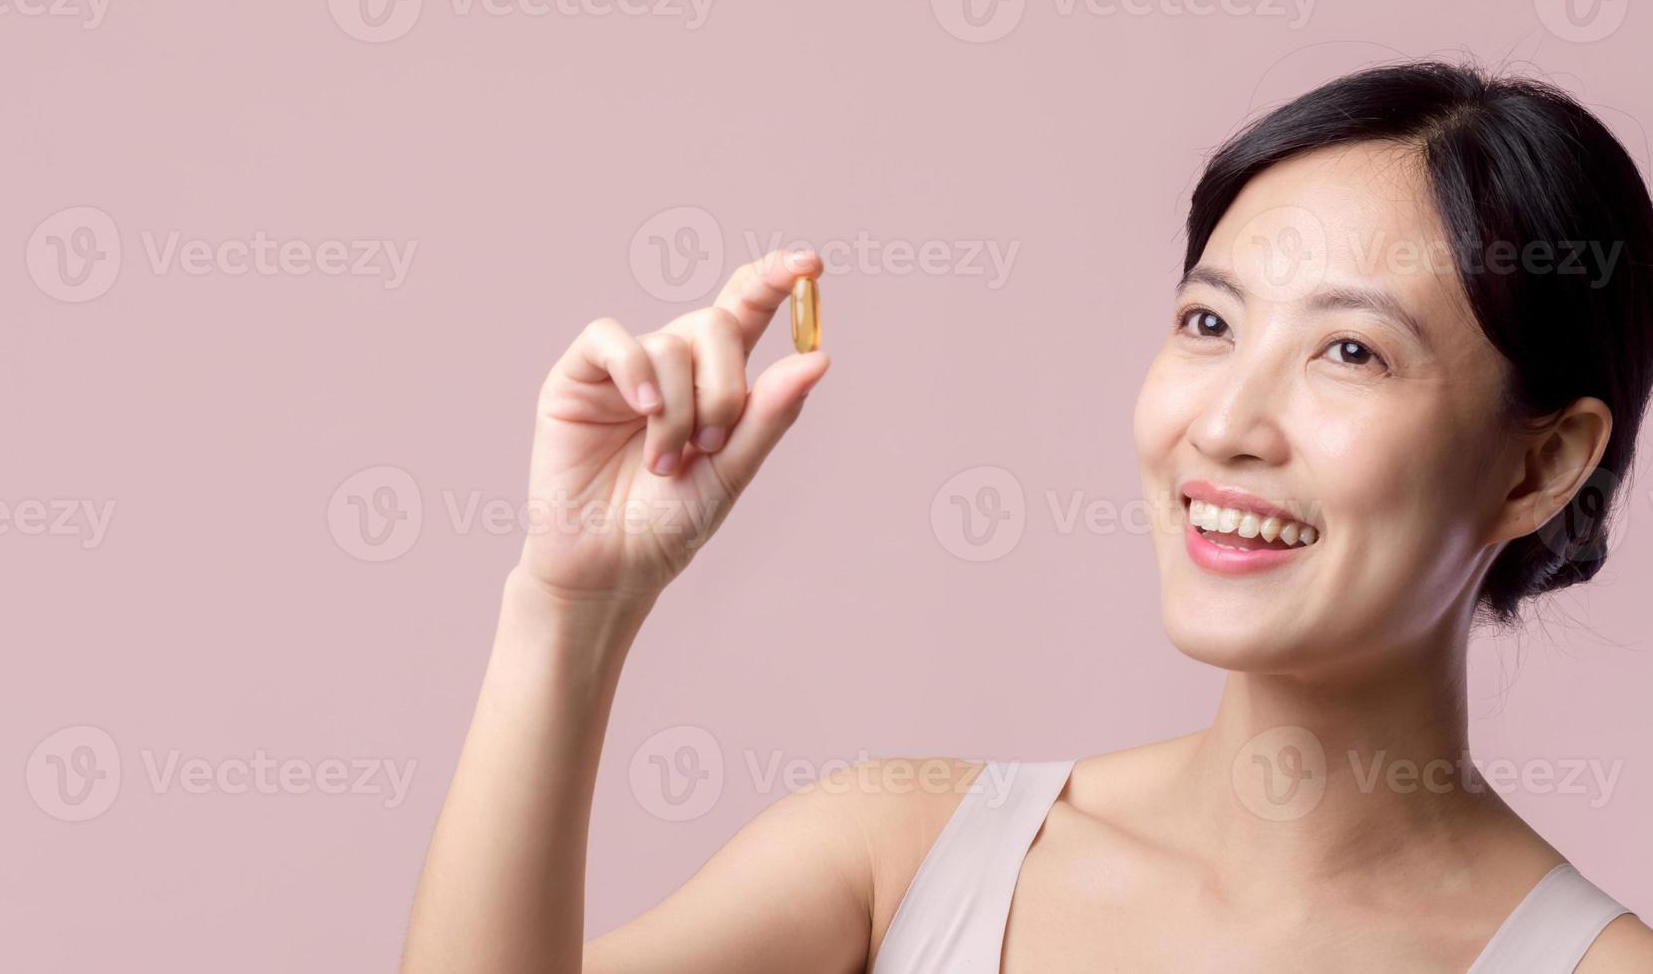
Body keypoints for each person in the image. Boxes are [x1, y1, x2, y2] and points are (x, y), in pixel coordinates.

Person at [401, 61, 1653, 972]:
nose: (1223, 423)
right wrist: (572, 607)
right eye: (1207, 324)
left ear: (1541, 465)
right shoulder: (900, 851)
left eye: (1347, 351)